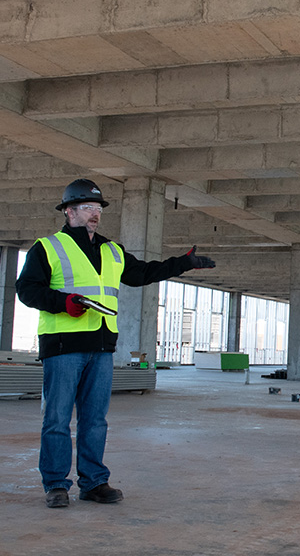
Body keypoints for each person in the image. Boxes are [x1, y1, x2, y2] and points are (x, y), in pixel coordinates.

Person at [16, 179, 216, 508]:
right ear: (69, 212)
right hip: (63, 347)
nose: (94, 215)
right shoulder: (48, 247)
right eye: (87, 208)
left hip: (102, 348)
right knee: (57, 419)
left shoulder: (112, 250)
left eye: (97, 209)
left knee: (95, 420)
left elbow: (141, 273)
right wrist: (63, 303)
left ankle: (94, 483)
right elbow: (27, 290)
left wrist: (182, 263)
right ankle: (56, 485)